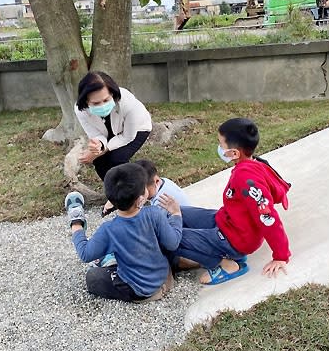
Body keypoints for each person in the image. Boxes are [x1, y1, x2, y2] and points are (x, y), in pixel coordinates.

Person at [174, 118, 292, 285]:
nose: (219, 149)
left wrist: (281, 256)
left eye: (221, 145)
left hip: (236, 239)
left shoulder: (245, 178)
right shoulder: (252, 163)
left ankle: (225, 264)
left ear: (235, 153)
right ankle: (205, 250)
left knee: (168, 236)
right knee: (174, 212)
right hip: (226, 221)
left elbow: (267, 216)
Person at [65, 162, 182, 302]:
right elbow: (173, 243)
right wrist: (176, 214)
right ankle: (110, 258)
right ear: (141, 199)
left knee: (93, 277)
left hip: (140, 289)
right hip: (164, 277)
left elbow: (85, 254)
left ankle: (76, 216)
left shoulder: (109, 229)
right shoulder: (154, 214)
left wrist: (77, 226)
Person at [75, 71, 152, 180]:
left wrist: (102, 151)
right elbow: (96, 134)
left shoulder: (128, 102)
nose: (102, 105)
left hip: (137, 129)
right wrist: (98, 146)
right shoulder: (81, 111)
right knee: (99, 161)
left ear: (112, 93)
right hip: (111, 131)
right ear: (86, 101)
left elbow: (127, 137)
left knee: (117, 159)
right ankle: (112, 190)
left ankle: (132, 189)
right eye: (96, 103)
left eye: (106, 100)